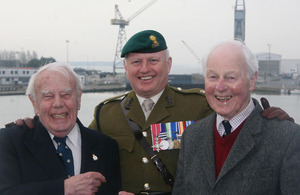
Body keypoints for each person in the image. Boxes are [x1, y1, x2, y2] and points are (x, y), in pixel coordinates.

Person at [9, 30, 293, 195]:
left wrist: (267, 113)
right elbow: (76, 139)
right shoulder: (108, 112)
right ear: (126, 68)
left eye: (153, 60)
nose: (145, 69)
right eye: (136, 62)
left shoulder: (199, 104)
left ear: (168, 64)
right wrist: (31, 126)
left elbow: (233, 111)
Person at [172, 40, 300, 194]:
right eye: (213, 77)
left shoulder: (288, 139)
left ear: (252, 80)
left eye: (231, 77)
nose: (220, 87)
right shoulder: (191, 136)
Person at [0, 62, 121, 195]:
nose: (58, 104)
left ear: (79, 98)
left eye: (66, 95)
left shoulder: (106, 146)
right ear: (34, 102)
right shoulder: (9, 142)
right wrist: (63, 188)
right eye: (48, 96)